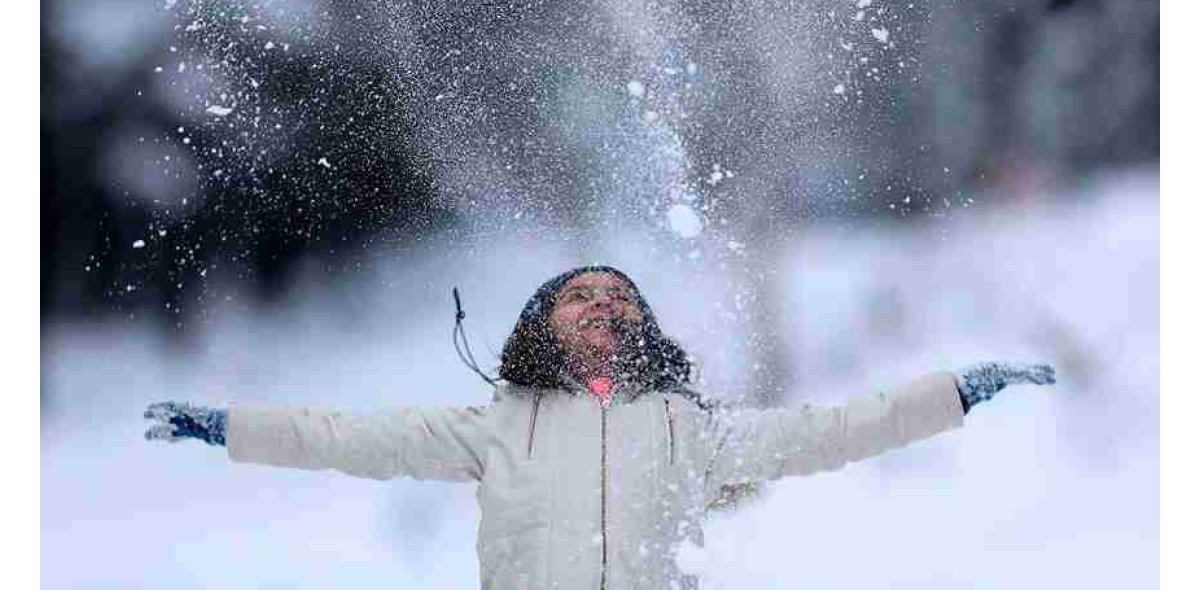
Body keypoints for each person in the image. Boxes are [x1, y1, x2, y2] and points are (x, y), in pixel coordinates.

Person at [144, 264, 1055, 590]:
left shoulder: (691, 431)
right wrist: (226, 426)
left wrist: (956, 393)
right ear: (541, 323)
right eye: (578, 295)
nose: (600, 305)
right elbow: (339, 436)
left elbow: (836, 429)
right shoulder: (494, 427)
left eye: (619, 296)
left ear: (643, 327)